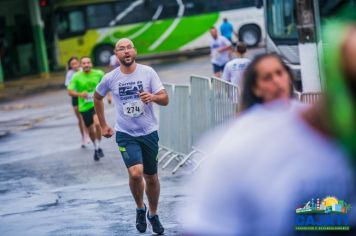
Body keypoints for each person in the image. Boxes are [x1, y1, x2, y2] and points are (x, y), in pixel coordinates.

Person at [182, 23, 356, 235]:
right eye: (267, 77)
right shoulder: (236, 142)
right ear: (255, 87)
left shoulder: (326, 126)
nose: (276, 81)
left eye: (280, 73)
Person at [94, 38, 169, 235]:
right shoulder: (111, 77)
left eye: (129, 48)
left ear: (134, 51)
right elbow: (97, 96)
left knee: (151, 178)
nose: (126, 51)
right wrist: (103, 125)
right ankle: (139, 208)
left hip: (149, 132)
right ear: (116, 54)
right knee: (136, 173)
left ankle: (153, 214)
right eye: (121, 49)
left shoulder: (148, 72)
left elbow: (165, 98)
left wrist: (152, 97)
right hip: (126, 133)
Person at [68, 56, 105, 161]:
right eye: (84, 63)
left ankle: (98, 145)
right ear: (81, 65)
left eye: (88, 62)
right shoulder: (76, 76)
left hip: (96, 104)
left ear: (91, 64)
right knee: (90, 130)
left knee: (97, 124)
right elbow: (70, 91)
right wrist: (80, 94)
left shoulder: (99, 73)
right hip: (84, 107)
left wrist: (109, 96)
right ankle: (96, 146)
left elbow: (106, 85)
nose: (86, 65)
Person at [64, 57, 90, 147]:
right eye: (72, 64)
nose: (75, 65)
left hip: (85, 96)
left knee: (85, 117)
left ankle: (87, 135)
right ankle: (84, 136)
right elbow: (69, 88)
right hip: (76, 96)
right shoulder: (70, 74)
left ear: (79, 63)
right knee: (80, 119)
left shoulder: (84, 70)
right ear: (70, 66)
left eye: (76, 63)